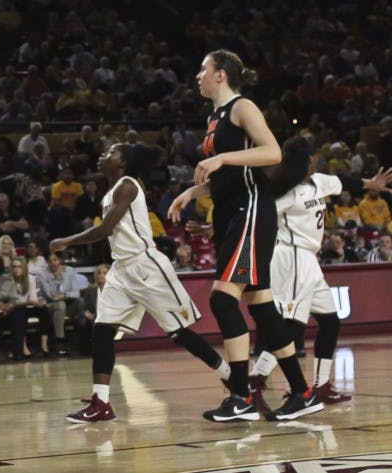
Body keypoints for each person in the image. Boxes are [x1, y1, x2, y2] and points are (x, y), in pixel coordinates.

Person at [169, 49, 320, 422]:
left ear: (221, 75)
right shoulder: (214, 116)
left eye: (203, 69)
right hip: (232, 212)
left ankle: (242, 396)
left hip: (251, 210)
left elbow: (271, 153)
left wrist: (221, 159)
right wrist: (194, 192)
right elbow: (229, 176)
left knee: (223, 300)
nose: (197, 76)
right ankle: (302, 392)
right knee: (261, 307)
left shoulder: (242, 106)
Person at [53, 144, 232, 423]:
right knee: (102, 329)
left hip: (146, 266)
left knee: (178, 333)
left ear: (122, 162)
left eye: (110, 151)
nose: (103, 154)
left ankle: (231, 376)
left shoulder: (127, 185)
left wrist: (66, 241)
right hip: (122, 269)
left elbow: (105, 229)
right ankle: (101, 402)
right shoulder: (110, 191)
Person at [247, 137, 392, 412]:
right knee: (290, 326)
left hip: (309, 261)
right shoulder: (285, 192)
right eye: (311, 156)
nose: (315, 160)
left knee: (330, 322)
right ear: (305, 160)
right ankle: (257, 379)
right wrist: (214, 230)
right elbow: (255, 216)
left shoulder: (318, 182)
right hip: (290, 257)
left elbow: (343, 182)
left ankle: (322, 385)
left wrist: (371, 184)